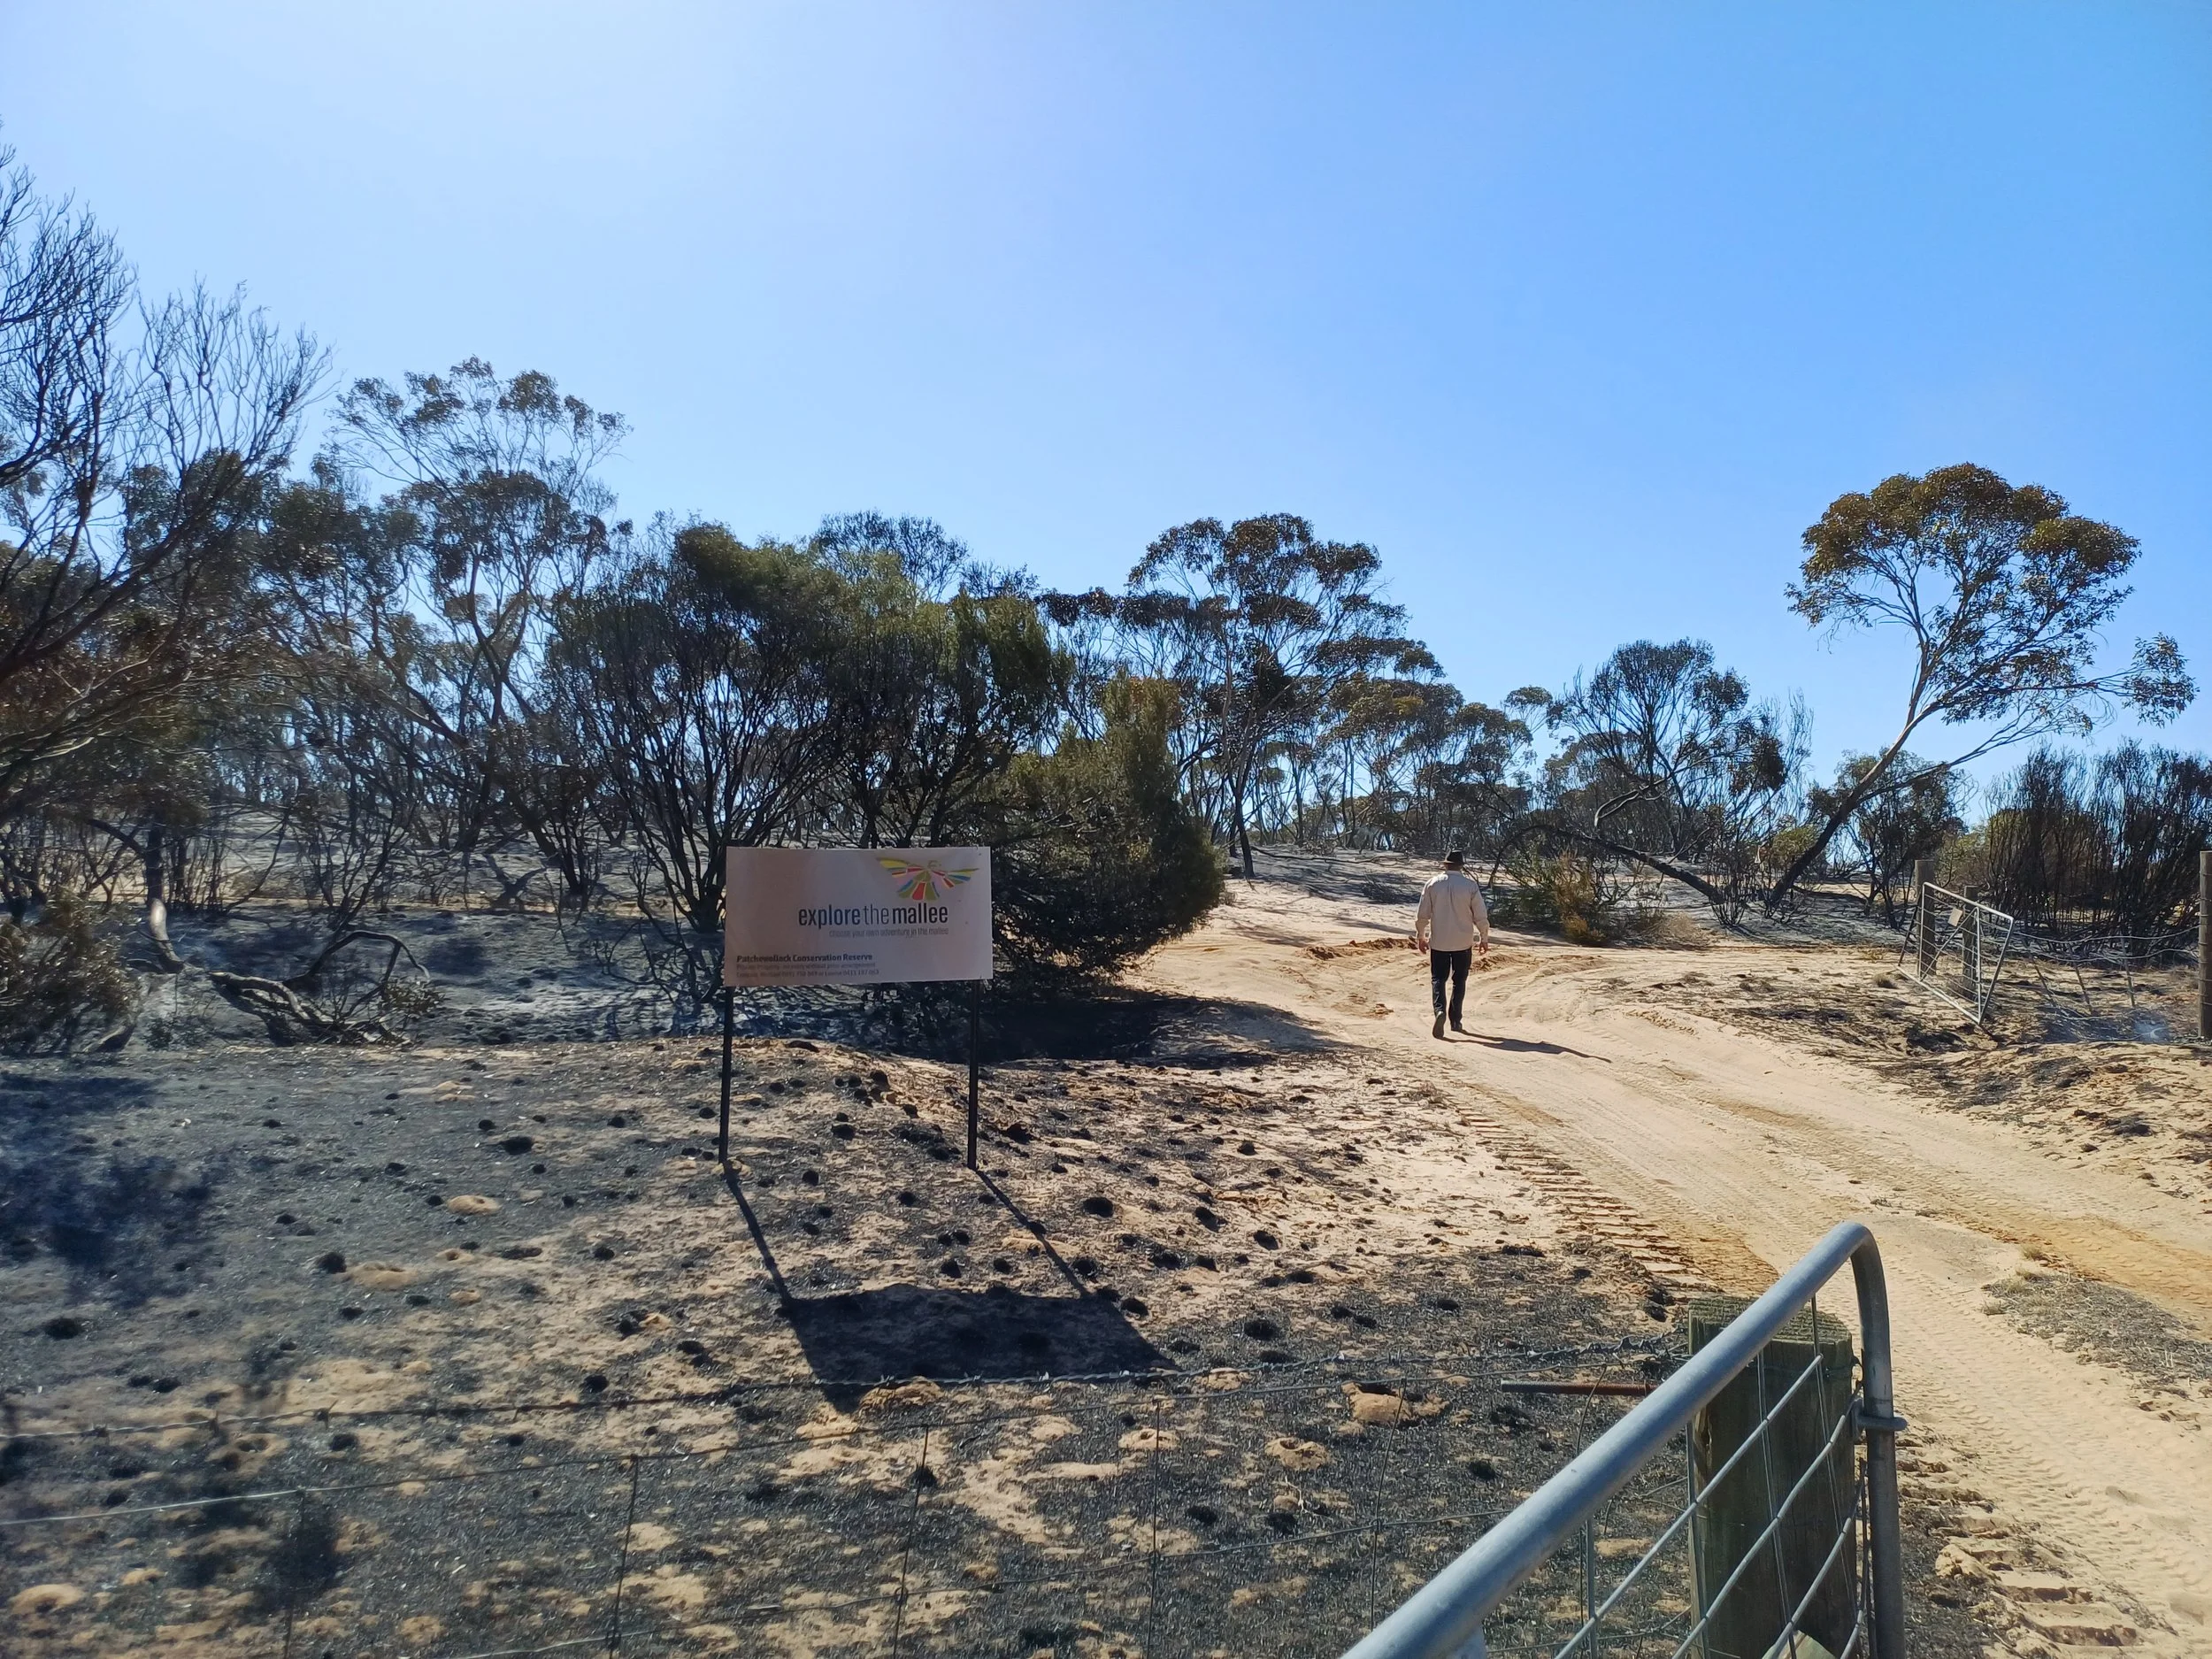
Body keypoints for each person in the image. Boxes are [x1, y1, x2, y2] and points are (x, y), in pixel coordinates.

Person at [1413, 849, 1490, 1039]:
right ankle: (1455, 1020)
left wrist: (1421, 936)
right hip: (1463, 942)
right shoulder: (1470, 886)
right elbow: (1480, 915)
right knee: (1459, 980)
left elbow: (1423, 914)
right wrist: (1484, 937)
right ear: (1461, 866)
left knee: (1438, 979)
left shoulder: (1432, 884)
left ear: (1445, 865)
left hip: (1439, 941)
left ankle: (1439, 1011)